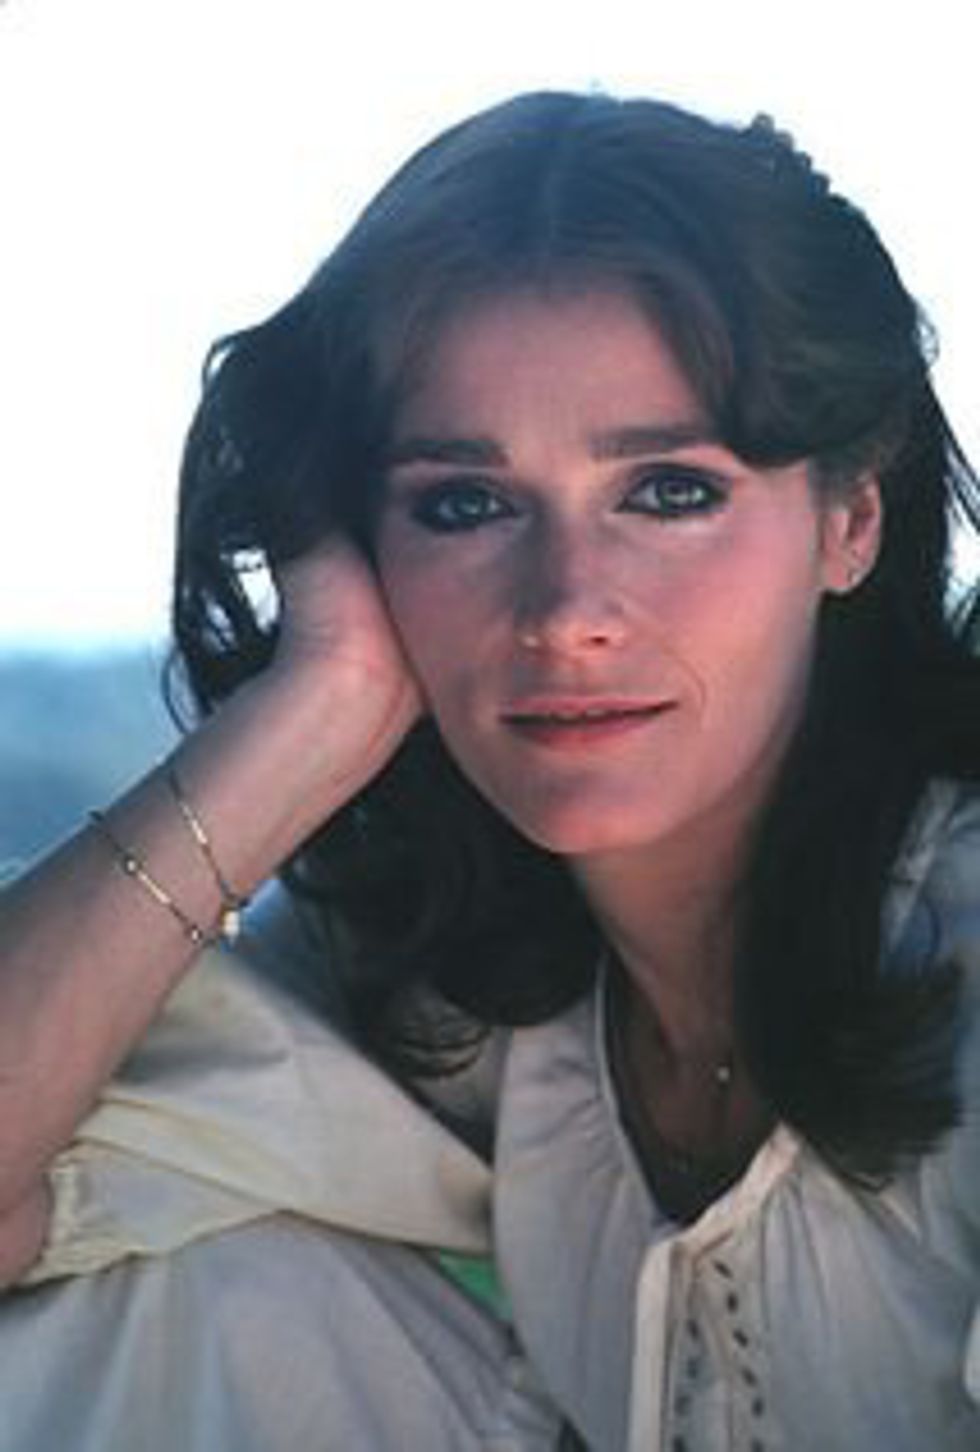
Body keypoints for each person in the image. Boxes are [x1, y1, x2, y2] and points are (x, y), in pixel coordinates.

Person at [0, 89, 978, 1450]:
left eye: (670, 491)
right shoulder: (455, 980)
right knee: (161, 1289)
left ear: (850, 520)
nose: (565, 610)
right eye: (464, 505)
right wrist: (318, 704)